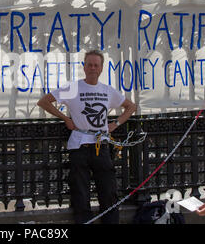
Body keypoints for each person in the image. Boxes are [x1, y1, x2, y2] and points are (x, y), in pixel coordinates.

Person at [37, 49, 137, 224]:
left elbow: (131, 107)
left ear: (101, 68)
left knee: (108, 193)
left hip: (101, 146)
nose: (92, 68)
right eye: (89, 65)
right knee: (80, 194)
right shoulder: (73, 88)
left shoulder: (108, 91)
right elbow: (44, 101)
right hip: (79, 146)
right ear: (84, 67)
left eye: (96, 65)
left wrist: (116, 124)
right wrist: (65, 118)